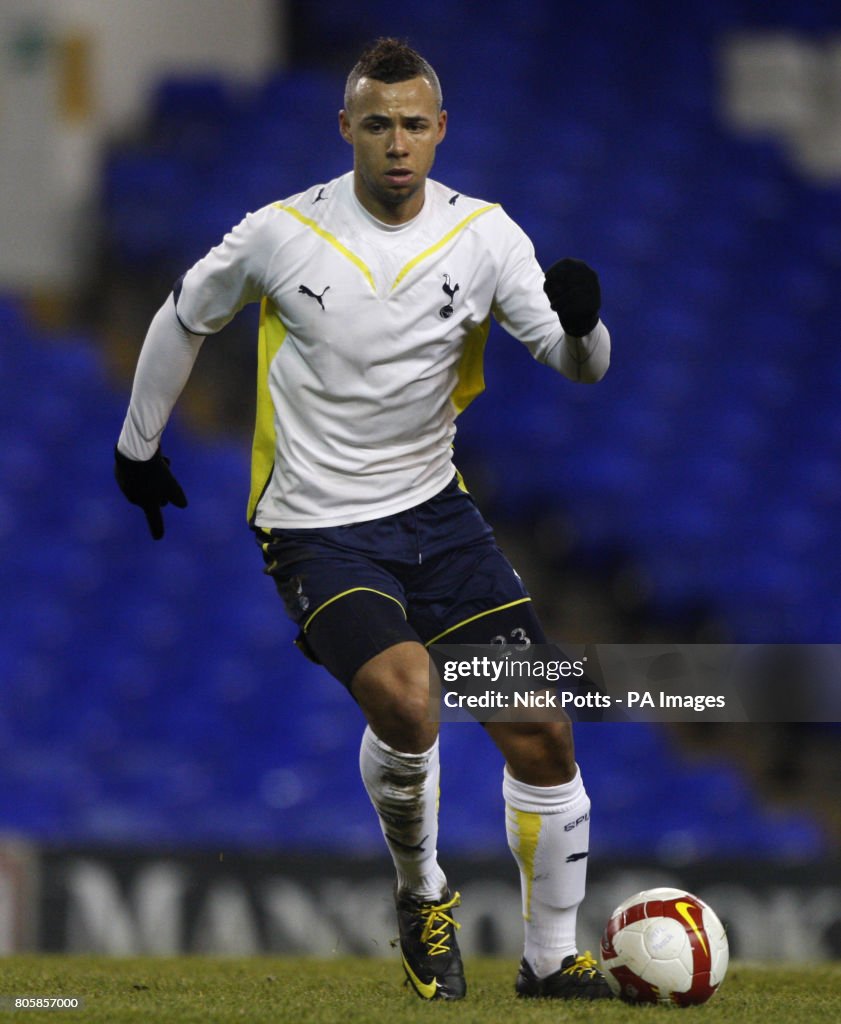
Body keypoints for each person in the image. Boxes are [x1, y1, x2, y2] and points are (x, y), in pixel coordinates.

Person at [114, 37, 612, 1002]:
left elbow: (575, 364)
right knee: (408, 692)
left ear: (440, 132)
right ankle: (421, 889)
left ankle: (550, 959)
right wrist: (137, 450)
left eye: (414, 125)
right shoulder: (281, 232)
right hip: (314, 523)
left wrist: (587, 324)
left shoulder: (485, 237)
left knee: (544, 728)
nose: (396, 143)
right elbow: (183, 315)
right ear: (345, 129)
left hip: (438, 513)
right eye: (376, 124)